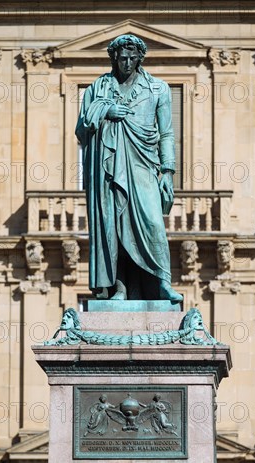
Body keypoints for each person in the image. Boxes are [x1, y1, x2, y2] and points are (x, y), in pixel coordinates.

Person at [75, 34, 183, 302]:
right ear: (114, 57)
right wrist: (104, 111)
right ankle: (120, 289)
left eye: (132, 58)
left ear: (140, 58)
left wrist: (168, 172)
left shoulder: (158, 89)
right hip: (108, 172)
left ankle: (162, 281)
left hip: (144, 165)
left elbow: (167, 134)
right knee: (114, 228)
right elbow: (81, 130)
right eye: (121, 58)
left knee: (153, 223)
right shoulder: (96, 90)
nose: (126, 62)